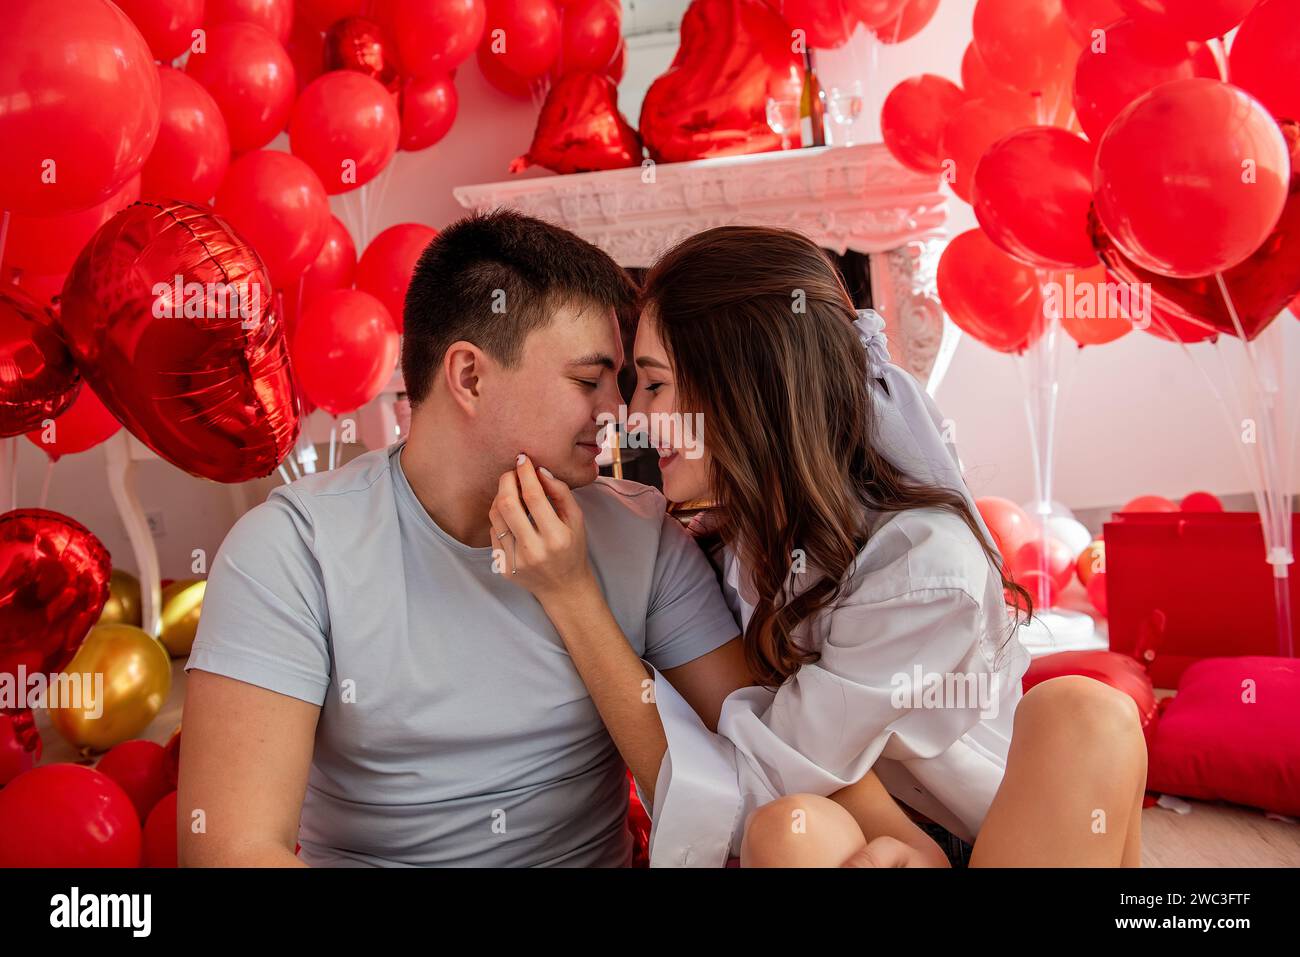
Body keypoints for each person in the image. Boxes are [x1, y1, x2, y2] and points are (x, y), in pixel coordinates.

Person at [496, 225, 1149, 867]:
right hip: (874, 832)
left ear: (742, 391)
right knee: (790, 830)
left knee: (1086, 711)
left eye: (655, 383)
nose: (632, 418)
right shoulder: (741, 532)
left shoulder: (920, 568)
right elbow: (775, 792)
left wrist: (572, 593)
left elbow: (760, 773)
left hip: (998, 834)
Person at [178, 209, 757, 867]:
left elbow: (743, 789)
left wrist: (574, 596)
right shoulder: (291, 549)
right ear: (470, 376)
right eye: (588, 380)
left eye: (620, 383)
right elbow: (231, 848)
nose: (617, 414)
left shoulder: (646, 534)